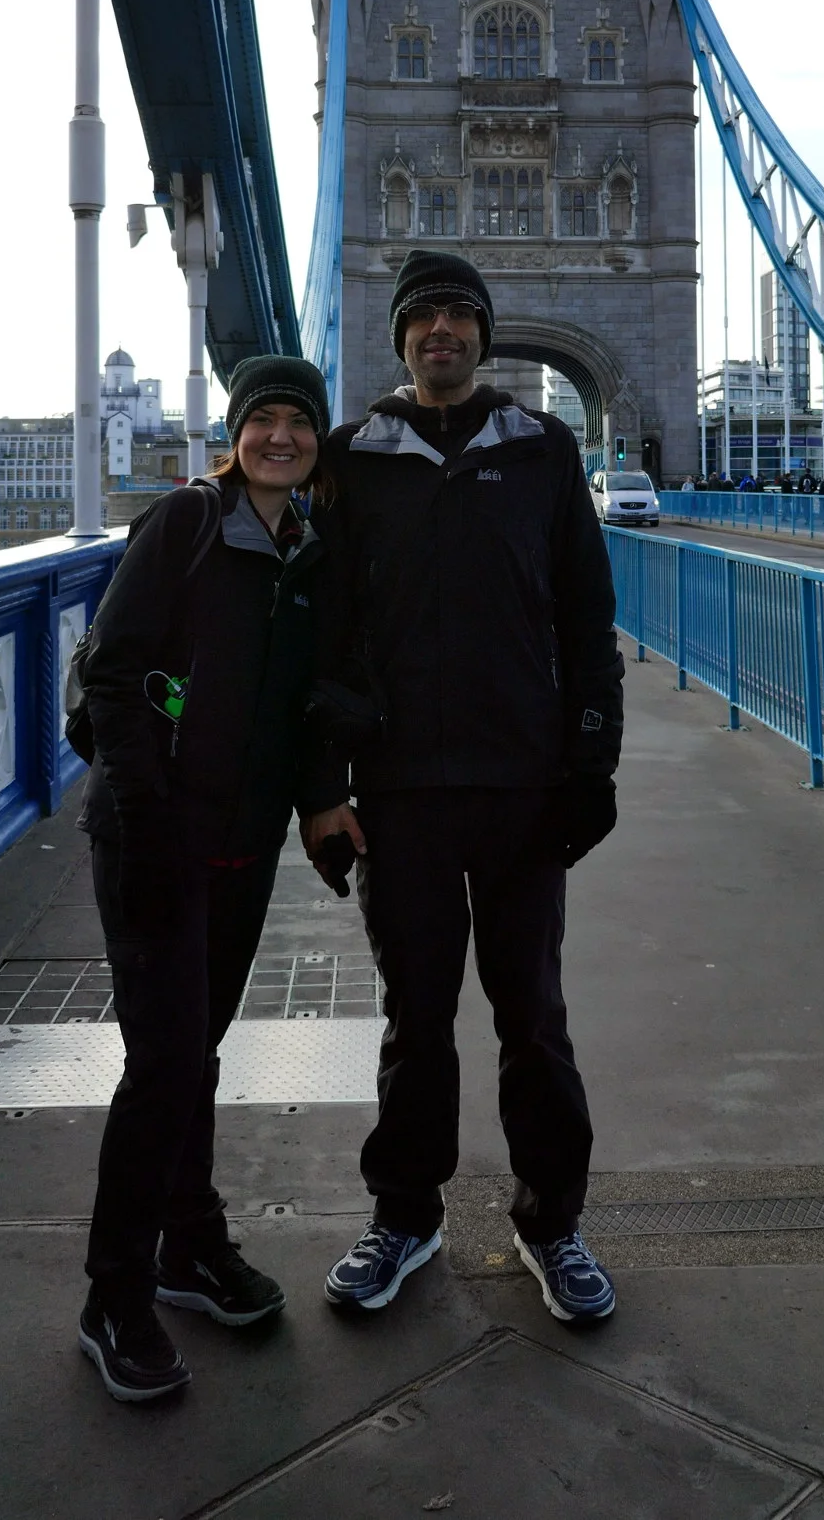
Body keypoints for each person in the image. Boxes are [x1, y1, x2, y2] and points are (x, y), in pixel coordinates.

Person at [302, 248, 624, 1325]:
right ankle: (406, 1214)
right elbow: (320, 636)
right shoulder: (351, 456)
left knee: (532, 1016)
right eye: (422, 316)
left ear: (483, 335)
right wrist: (321, 786)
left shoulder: (543, 447)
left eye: (458, 315)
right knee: (416, 1014)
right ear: (398, 338)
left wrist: (592, 763)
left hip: (524, 785)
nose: (440, 330)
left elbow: (586, 620)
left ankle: (553, 1222)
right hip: (401, 791)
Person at [75, 357, 337, 1402]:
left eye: (298, 422)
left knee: (197, 1051)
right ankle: (113, 1296)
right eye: (263, 420)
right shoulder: (182, 526)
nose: (281, 435)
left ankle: (190, 1248)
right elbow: (110, 669)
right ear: (235, 435)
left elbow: (309, 696)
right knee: (165, 1061)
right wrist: (146, 825)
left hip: (243, 841)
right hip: (154, 839)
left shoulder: (308, 551)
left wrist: (321, 800)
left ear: (318, 440)